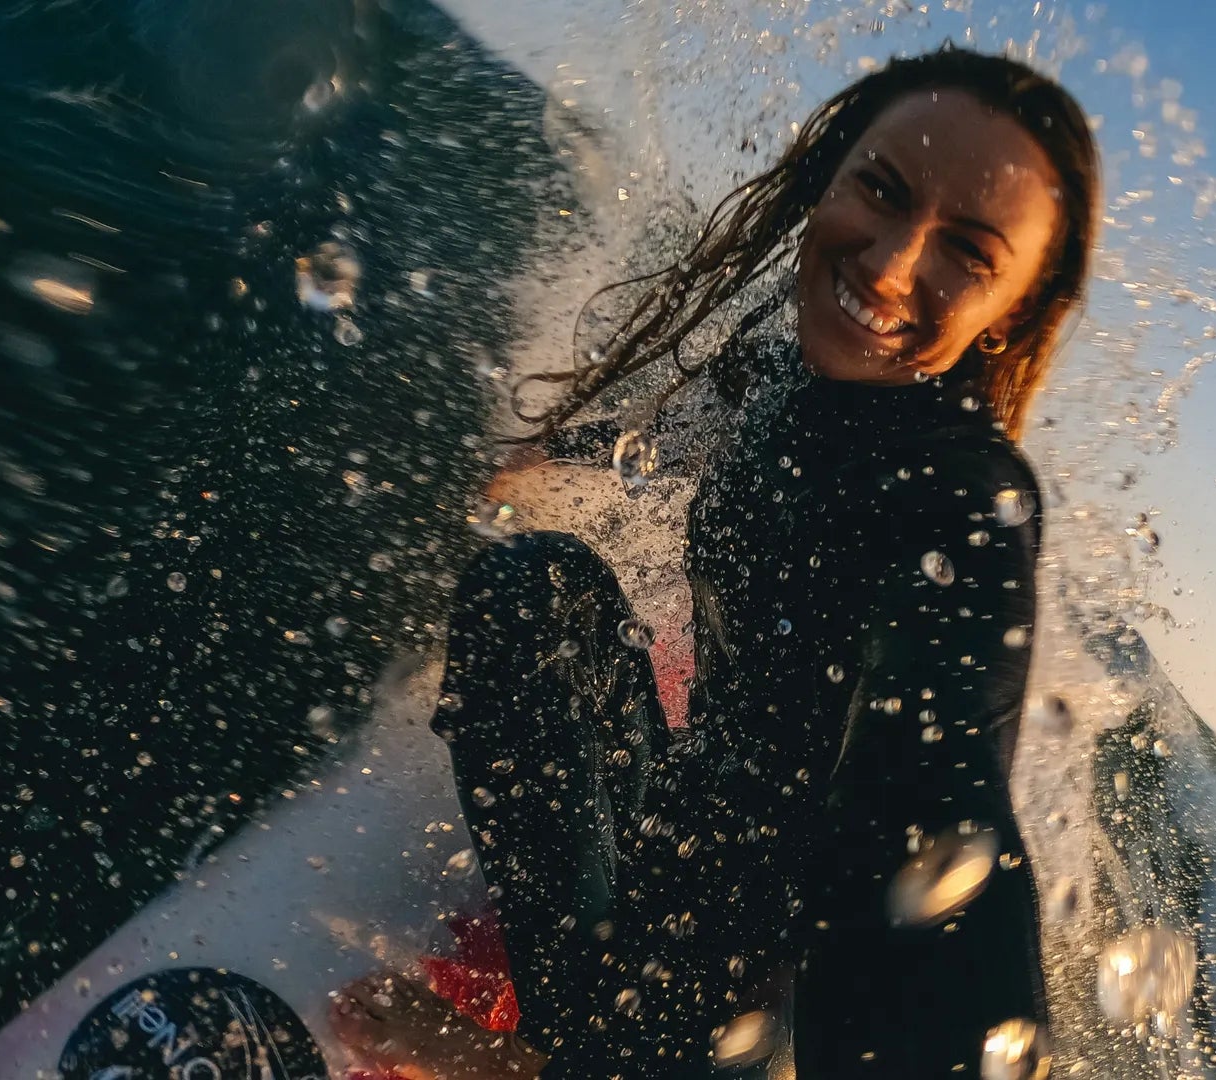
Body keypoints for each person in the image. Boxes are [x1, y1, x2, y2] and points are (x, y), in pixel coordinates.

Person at [330, 45, 1100, 1078]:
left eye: (968, 252)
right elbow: (694, 435)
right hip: (680, 827)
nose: (887, 266)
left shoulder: (962, 503)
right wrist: (548, 461)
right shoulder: (789, 360)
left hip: (746, 1001)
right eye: (881, 188)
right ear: (830, 173)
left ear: (1009, 310)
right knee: (534, 584)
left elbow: (941, 796)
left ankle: (524, 1066)